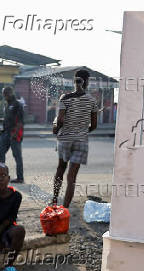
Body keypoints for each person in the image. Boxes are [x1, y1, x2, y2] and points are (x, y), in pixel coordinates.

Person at [53, 70, 98, 208]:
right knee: (71, 178)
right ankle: (65, 209)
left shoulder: (65, 98)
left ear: (74, 81)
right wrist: (83, 131)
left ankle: (54, 201)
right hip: (81, 141)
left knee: (60, 169)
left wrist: (56, 128)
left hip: (65, 140)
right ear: (88, 81)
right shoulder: (92, 100)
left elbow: (60, 119)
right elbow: (94, 125)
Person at [0, 87, 24, 183]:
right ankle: (2, 175)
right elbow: (8, 120)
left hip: (14, 134)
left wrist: (15, 134)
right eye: (3, 94)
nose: (4, 96)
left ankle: (20, 178)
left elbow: (20, 122)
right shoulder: (7, 104)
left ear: (11, 93)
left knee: (17, 156)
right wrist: (0, 120)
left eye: (6, 94)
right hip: (5, 133)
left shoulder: (18, 105)